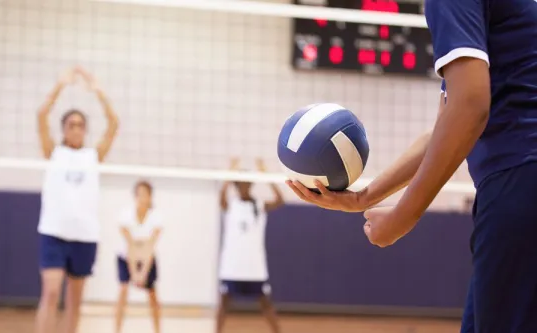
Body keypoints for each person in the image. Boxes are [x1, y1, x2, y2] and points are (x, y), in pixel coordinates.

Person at [288, 0, 537, 331]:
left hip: (521, 180)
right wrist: (364, 198)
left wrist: (401, 218)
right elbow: (447, 124)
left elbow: (470, 106)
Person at [36, 67, 119, 333]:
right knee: (50, 293)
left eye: (80, 125)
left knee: (75, 301)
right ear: (64, 128)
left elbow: (114, 124)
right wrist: (59, 86)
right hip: (54, 233)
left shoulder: (93, 156)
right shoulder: (54, 152)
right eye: (71, 124)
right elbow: (40, 115)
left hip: (84, 236)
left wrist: (99, 92)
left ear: (85, 130)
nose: (76, 128)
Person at [217, 158, 284, 333]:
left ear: (251, 185)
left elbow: (280, 200)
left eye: (247, 183)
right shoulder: (230, 205)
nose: (243, 187)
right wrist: (230, 171)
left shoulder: (260, 205)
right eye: (239, 184)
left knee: (266, 305)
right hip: (232, 267)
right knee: (223, 305)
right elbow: (220, 198)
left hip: (254, 268)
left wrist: (266, 174)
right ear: (235, 186)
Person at [115, 180, 162, 333]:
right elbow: (130, 246)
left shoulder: (156, 217)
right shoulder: (126, 215)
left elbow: (149, 246)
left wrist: (143, 273)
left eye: (145, 194)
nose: (142, 197)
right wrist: (134, 272)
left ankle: (157, 330)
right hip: (126, 257)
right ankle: (117, 329)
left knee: (153, 295)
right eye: (139, 194)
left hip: (147, 259)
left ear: (150, 196)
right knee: (123, 290)